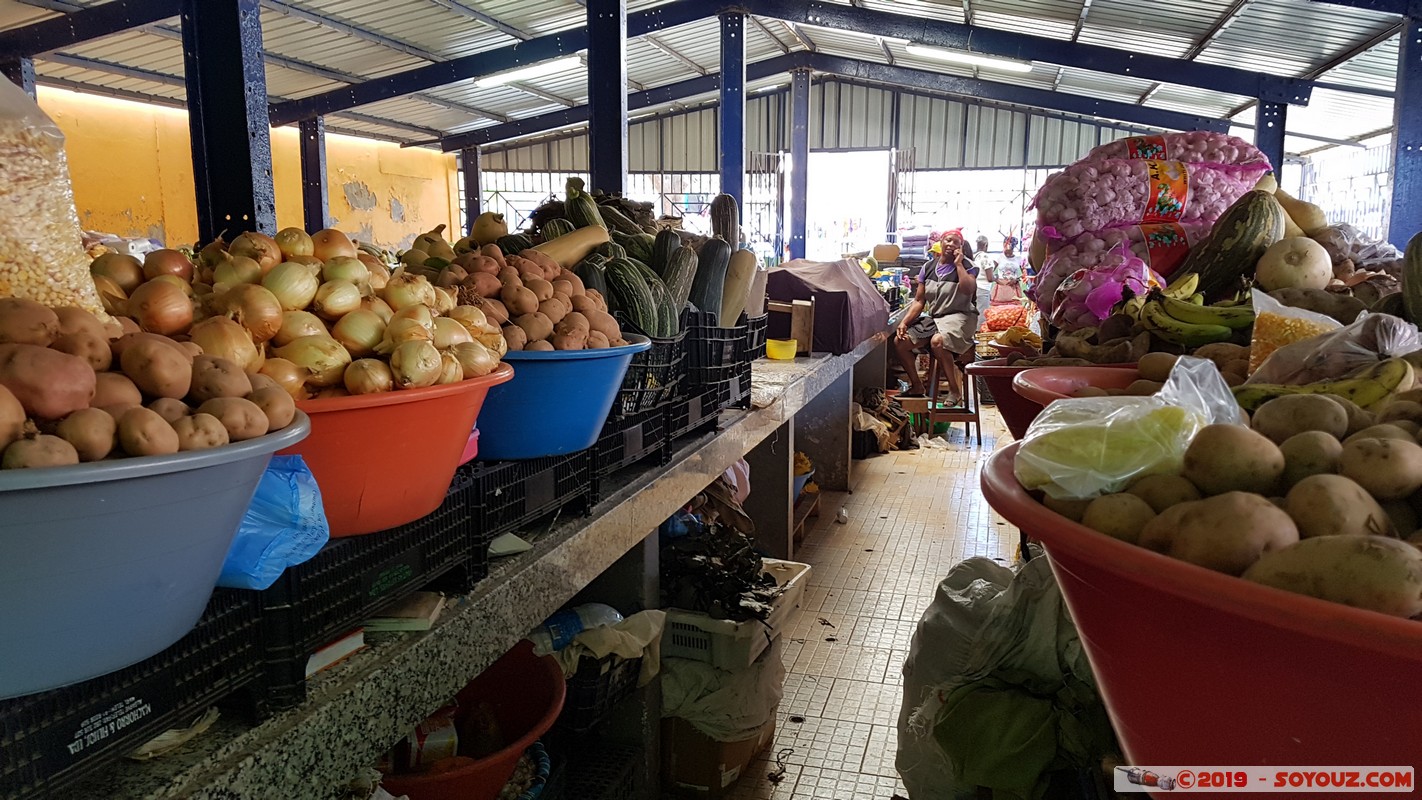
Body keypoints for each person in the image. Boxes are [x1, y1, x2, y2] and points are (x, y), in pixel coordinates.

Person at [894, 229, 978, 404]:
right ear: (941, 242)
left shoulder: (968, 265)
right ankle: (917, 385)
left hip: (960, 316)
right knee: (900, 342)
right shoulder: (928, 267)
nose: (951, 245)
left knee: (938, 341)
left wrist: (959, 264)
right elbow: (919, 300)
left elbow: (968, 289)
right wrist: (904, 322)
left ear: (961, 247)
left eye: (957, 243)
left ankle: (955, 391)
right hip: (935, 317)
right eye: (948, 240)